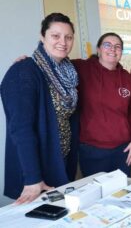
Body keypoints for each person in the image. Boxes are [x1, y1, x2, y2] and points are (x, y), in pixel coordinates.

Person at [1, 13, 79, 204]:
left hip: (60, 163)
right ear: (42, 36)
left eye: (68, 37)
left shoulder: (68, 73)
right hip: (35, 173)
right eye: (56, 36)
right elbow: (20, 128)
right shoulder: (24, 70)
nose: (63, 42)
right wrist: (33, 178)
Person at [73, 32, 131, 177]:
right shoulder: (83, 68)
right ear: (98, 49)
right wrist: (29, 61)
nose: (113, 49)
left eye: (118, 47)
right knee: (96, 196)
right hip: (92, 150)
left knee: (122, 195)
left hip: (123, 149)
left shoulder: (127, 77)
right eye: (107, 45)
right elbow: (55, 62)